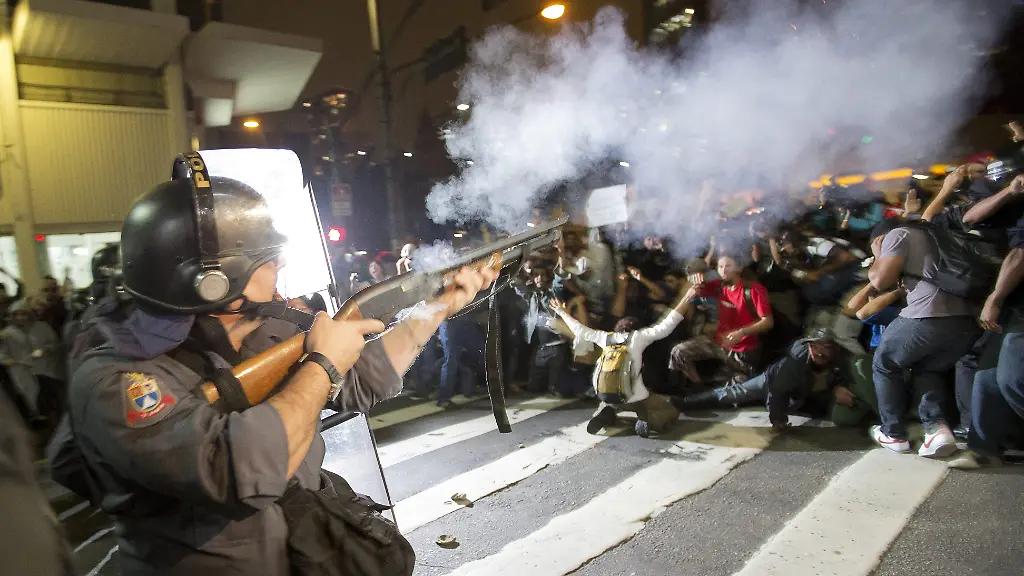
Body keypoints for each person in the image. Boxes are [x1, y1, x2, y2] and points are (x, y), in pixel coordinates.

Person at [51, 162, 495, 575]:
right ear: (215, 282)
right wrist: (323, 365)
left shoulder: (261, 328)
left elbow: (362, 381)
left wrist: (437, 307)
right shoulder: (117, 381)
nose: (279, 263)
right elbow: (242, 473)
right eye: (265, 257)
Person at [550, 285, 693, 438]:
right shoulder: (639, 337)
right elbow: (668, 323)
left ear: (617, 328)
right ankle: (649, 421)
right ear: (636, 328)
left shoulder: (605, 337)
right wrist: (687, 296)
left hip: (608, 395)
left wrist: (562, 312)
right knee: (668, 410)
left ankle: (605, 412)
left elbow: (579, 329)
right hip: (636, 396)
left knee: (608, 402)